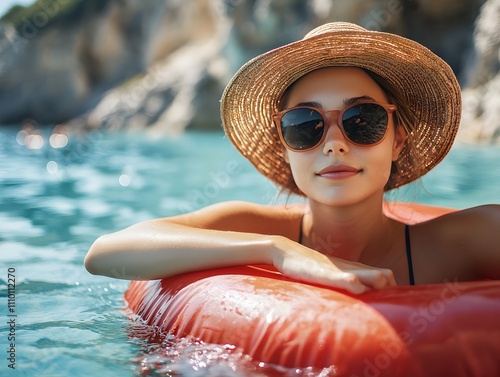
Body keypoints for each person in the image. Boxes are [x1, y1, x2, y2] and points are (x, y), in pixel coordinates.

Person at [84, 22, 500, 294]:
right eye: (305, 124)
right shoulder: (256, 228)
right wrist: (279, 251)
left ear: (398, 141)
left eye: (363, 120)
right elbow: (106, 252)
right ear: (285, 145)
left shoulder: (456, 244)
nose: (335, 144)